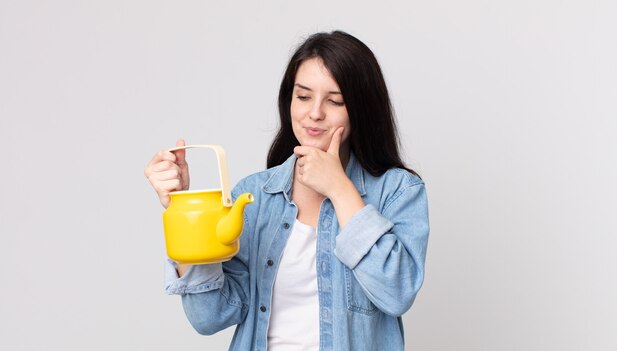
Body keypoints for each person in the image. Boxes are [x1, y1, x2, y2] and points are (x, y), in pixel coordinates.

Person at [144, 30, 429, 351]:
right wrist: (181, 210)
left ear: (361, 109)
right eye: (303, 96)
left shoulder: (398, 191)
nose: (315, 113)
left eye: (334, 100)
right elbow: (210, 317)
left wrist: (339, 188)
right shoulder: (254, 196)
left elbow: (397, 293)